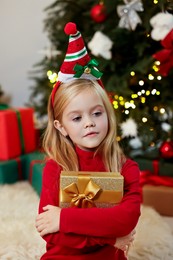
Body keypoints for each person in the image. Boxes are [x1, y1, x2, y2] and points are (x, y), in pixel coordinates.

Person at [35, 22, 141, 260]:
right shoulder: (55, 169)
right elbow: (49, 232)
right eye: (76, 117)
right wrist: (110, 238)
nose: (89, 123)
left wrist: (63, 219)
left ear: (107, 114)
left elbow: (126, 220)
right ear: (61, 127)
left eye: (96, 113)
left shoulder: (126, 168)